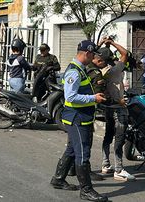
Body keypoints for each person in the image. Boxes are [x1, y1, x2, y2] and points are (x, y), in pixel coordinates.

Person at [50, 40, 107, 202]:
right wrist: (93, 98)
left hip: (82, 117)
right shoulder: (74, 72)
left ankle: (58, 179)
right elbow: (71, 96)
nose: (94, 58)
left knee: (72, 150)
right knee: (82, 153)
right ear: (87, 53)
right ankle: (86, 190)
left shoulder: (81, 70)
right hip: (77, 118)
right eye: (93, 55)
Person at [100, 39, 136, 181]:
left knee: (108, 136)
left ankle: (105, 165)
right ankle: (119, 169)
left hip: (107, 107)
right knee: (119, 138)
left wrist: (103, 44)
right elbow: (125, 53)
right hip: (118, 107)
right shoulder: (115, 69)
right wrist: (112, 42)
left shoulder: (100, 70)